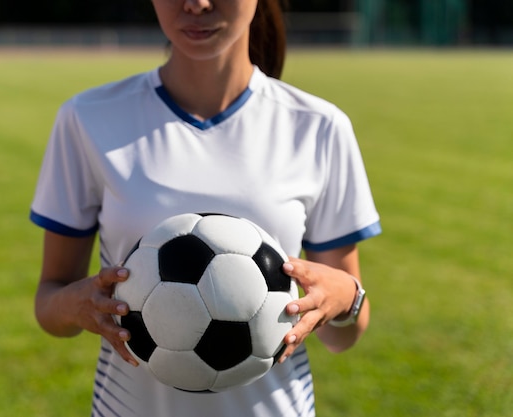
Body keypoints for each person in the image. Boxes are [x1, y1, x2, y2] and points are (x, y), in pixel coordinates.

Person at [29, 0, 381, 416]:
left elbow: (343, 335)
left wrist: (348, 298)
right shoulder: (88, 118)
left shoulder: (318, 126)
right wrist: (76, 305)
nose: (196, 4)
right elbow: (50, 304)